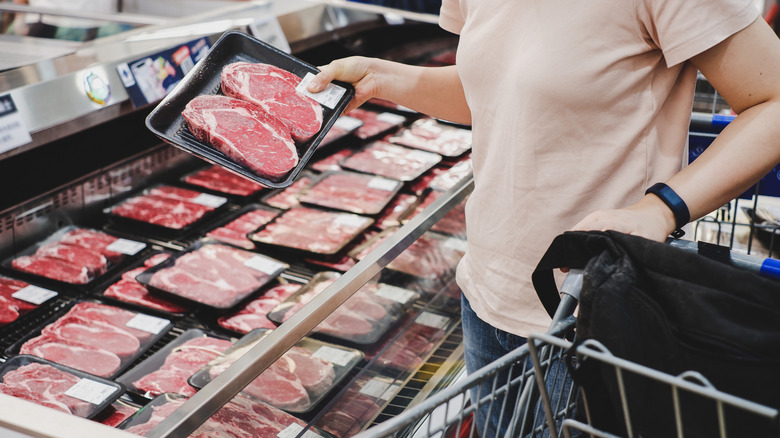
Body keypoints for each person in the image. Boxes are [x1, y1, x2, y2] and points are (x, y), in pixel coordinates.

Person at [307, 0, 780, 435]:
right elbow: (495, 90)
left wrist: (659, 208)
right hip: (484, 292)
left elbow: (772, 102)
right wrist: (382, 77)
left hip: (586, 309)